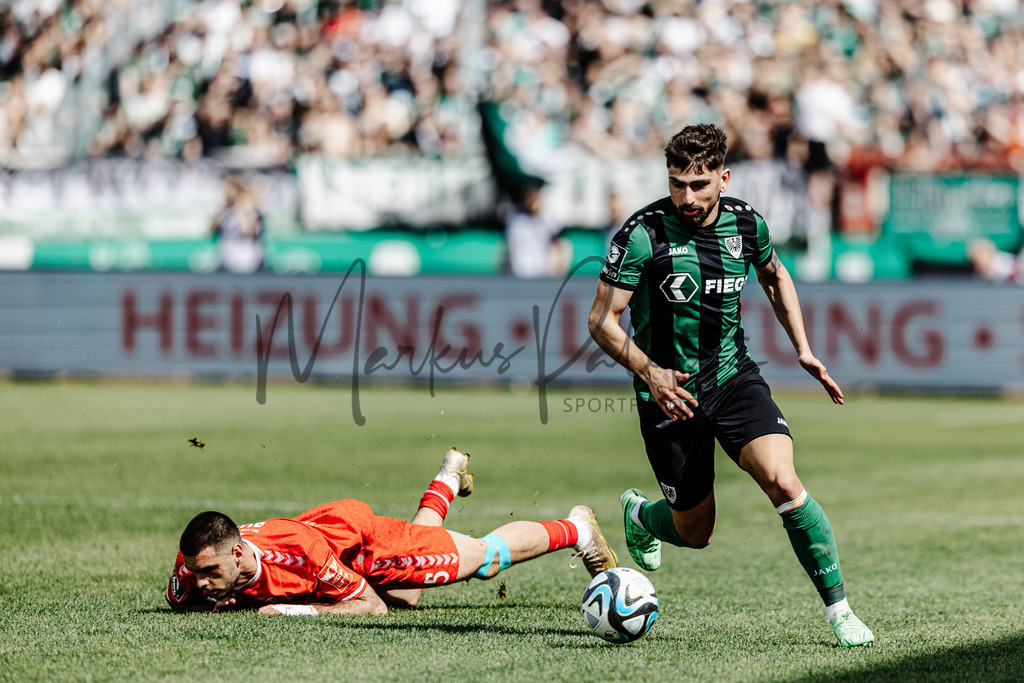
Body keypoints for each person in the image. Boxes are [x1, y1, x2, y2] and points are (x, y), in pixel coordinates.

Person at [587, 123, 874, 648]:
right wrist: (651, 372)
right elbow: (601, 321)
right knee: (696, 532)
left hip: (732, 377)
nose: (687, 197)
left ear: (724, 178)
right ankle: (642, 515)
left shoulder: (746, 223)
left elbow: (775, 275)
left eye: (699, 185)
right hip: (668, 394)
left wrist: (803, 349)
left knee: (784, 482)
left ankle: (841, 612)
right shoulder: (642, 234)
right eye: (677, 184)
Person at [166, 448, 616, 615]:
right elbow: (183, 593)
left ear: (238, 555)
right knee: (410, 596)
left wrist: (291, 611)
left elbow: (371, 606)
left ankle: (577, 529)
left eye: (209, 573)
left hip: (365, 546)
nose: (200, 582)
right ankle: (448, 476)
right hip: (335, 539)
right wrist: (212, 595)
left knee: (484, 560)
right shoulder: (193, 568)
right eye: (197, 572)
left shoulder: (300, 554)